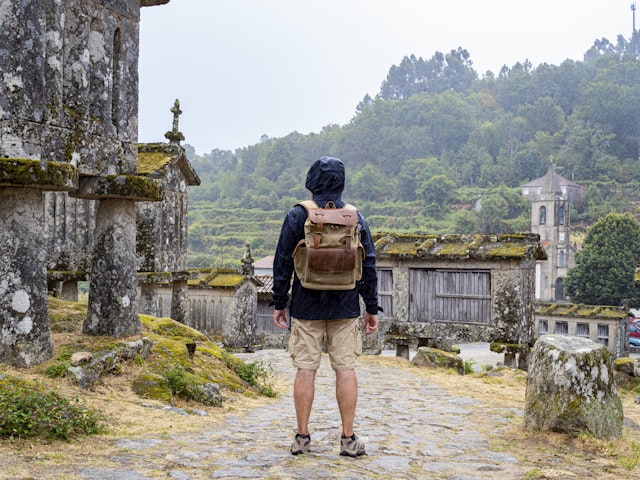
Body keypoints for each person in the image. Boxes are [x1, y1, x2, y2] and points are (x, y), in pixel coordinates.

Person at [272, 156, 380, 457]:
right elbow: (368, 263)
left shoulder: (298, 215)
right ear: (342, 182)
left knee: (305, 370)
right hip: (345, 307)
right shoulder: (355, 216)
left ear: (311, 182)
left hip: (306, 306)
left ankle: (302, 438)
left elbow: (282, 261)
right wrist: (371, 306)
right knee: (345, 369)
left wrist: (280, 302)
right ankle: (348, 440)